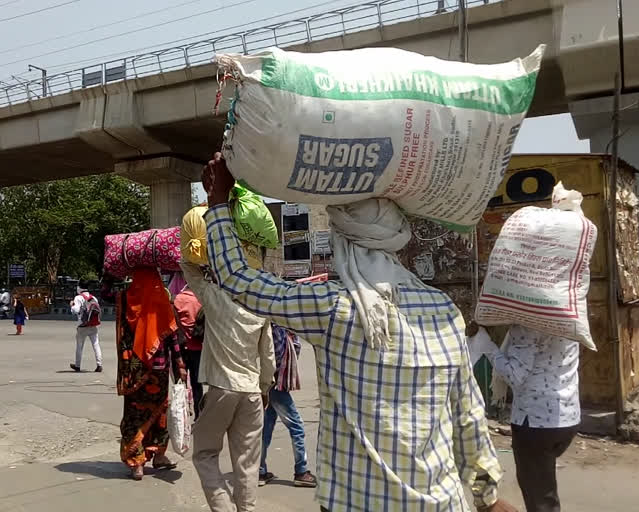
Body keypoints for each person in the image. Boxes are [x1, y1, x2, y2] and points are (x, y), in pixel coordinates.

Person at [201, 153, 514, 512]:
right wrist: (487, 498)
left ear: (343, 241)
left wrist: (218, 203)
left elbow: (238, 280)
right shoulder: (443, 309)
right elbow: (468, 415)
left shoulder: (333, 307)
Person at [179, 261, 275, 512]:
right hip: (253, 390)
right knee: (248, 463)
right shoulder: (259, 306)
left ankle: (223, 508)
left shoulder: (214, 296)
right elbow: (268, 357)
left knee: (205, 454)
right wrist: (264, 388)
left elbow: (188, 269)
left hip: (222, 388)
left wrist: (203, 259)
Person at [470, 324, 579, 512]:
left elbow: (514, 375)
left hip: (535, 423)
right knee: (545, 491)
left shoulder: (527, 328)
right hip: (567, 418)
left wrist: (487, 346)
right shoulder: (569, 321)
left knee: (541, 501)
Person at [116, 268, 187, 480]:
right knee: (159, 413)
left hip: (135, 371)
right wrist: (179, 365)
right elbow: (172, 337)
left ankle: (137, 463)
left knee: (135, 415)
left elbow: (122, 335)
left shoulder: (127, 299)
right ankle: (158, 455)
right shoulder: (162, 299)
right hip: (160, 370)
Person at [259, 324, 316, 488]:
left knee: (266, 427)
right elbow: (273, 358)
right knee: (296, 427)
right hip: (276, 385)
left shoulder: (283, 328)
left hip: (272, 384)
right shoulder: (278, 329)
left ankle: (260, 471)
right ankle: (301, 471)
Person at [172, 281, 205, 419]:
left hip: (180, 348)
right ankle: (199, 414)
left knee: (180, 383)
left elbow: (172, 327)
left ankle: (183, 414)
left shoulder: (177, 300)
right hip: (198, 347)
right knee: (197, 385)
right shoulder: (202, 300)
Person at [70, 282, 103, 373]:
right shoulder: (94, 298)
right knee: (96, 344)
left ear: (79, 288)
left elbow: (75, 310)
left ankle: (77, 365)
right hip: (93, 325)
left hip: (82, 326)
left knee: (79, 346)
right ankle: (99, 364)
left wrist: (72, 305)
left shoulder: (78, 298)